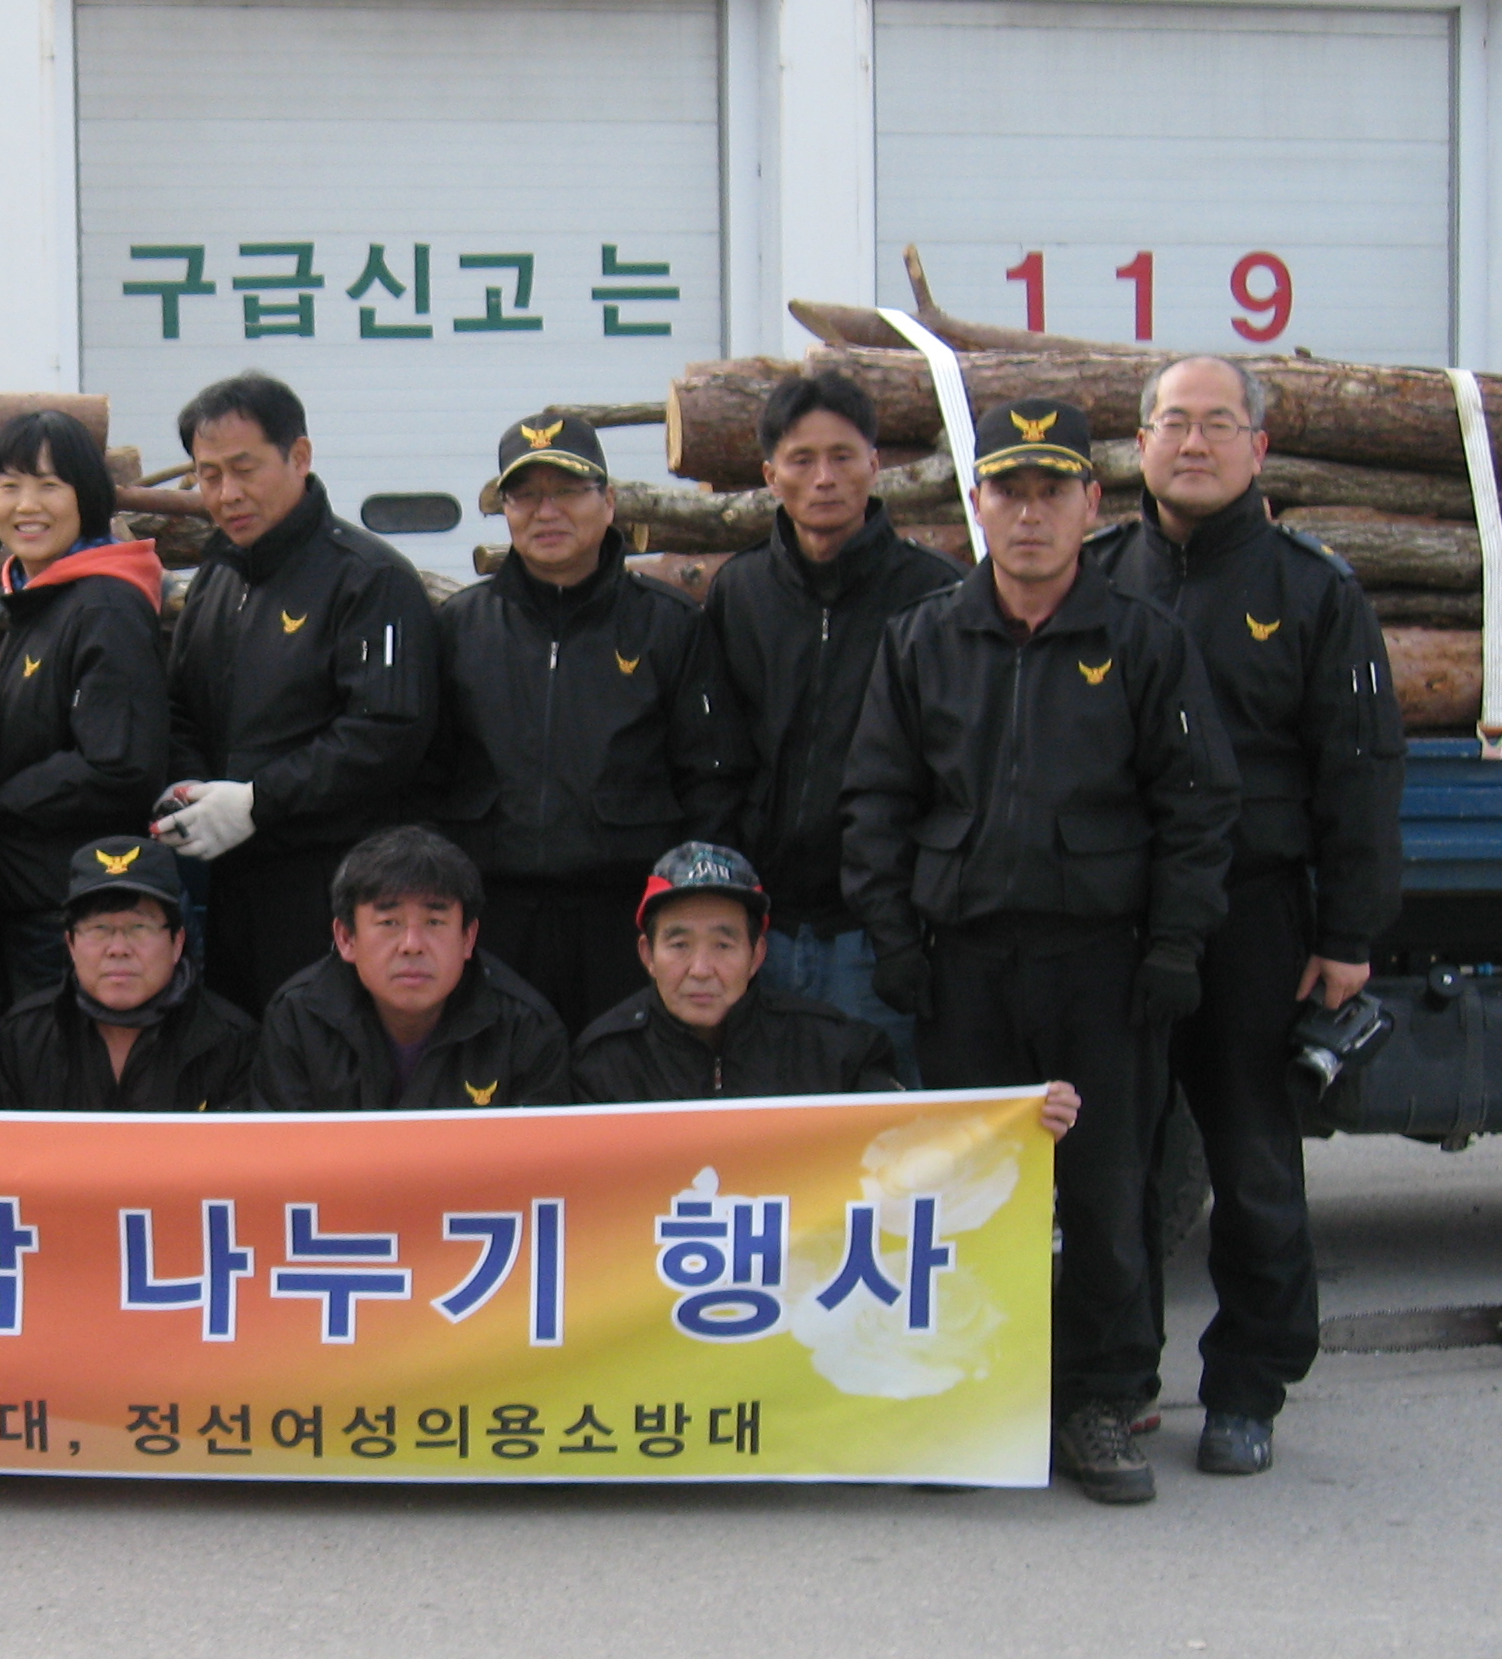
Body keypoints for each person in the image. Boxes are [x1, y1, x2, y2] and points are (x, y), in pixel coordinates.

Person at [842, 402, 1239, 1506]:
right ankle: (977, 1399)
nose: (1028, 514)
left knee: (1107, 1195)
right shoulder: (924, 640)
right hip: (962, 968)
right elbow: (875, 800)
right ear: (977, 506)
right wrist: (895, 941)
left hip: (1102, 971)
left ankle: (1101, 1402)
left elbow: (1199, 807)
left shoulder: (1143, 643)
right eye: (1008, 492)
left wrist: (1173, 948)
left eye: (1051, 491)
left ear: (1092, 505)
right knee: (966, 1199)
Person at [1102, 353, 1408, 1477]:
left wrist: (1348, 937)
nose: (1194, 443)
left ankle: (1248, 1388)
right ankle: (1118, 1380)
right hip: (1119, 919)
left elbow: (1360, 770)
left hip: (1255, 917)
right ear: (1139, 444)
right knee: (1117, 1166)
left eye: (1218, 424)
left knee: (1254, 1164)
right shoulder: (1097, 576)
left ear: (1259, 448)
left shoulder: (1310, 592)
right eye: (1173, 422)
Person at [701, 367, 965, 1078]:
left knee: (888, 1123)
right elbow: (717, 754)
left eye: (843, 456)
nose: (824, 478)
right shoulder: (740, 591)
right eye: (802, 459)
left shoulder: (934, 595)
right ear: (770, 476)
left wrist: (908, 922)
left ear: (875, 465)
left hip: (880, 935)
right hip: (764, 924)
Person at [432, 413, 730, 1033]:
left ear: (609, 501)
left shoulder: (669, 626)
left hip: (626, 919)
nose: (547, 512)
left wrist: (683, 914)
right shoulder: (460, 628)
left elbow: (711, 782)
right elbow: (425, 776)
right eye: (525, 495)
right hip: (495, 919)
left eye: (567, 490)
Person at [157, 371, 439, 1015]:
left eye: (244, 468)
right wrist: (190, 789)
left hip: (334, 886)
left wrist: (260, 800)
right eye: (208, 476)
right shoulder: (217, 578)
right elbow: (182, 708)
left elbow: (386, 732)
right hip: (226, 877)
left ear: (300, 456)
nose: (228, 494)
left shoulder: (368, 579)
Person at [570, 840, 1088, 1136]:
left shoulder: (835, 1052)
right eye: (679, 945)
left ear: (758, 956)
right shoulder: (604, 1063)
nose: (701, 969)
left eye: (724, 945)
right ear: (647, 955)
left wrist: (1021, 1119)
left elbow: (918, 1143)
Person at [0, 410, 170, 995]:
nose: (26, 505)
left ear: (86, 496)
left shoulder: (104, 607)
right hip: (33, 898)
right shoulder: (42, 601)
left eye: (49, 485)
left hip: (75, 911)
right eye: (9, 486)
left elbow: (118, 763)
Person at [248, 825, 569, 1111]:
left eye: (434, 922)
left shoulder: (524, 1028)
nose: (412, 944)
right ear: (346, 938)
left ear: (468, 938)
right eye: (389, 923)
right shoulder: (298, 1019)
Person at [0, 838, 257, 1111]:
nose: (118, 949)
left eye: (139, 928)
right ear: (70, 944)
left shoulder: (232, 1042)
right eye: (99, 929)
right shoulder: (22, 1038)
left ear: (177, 942)